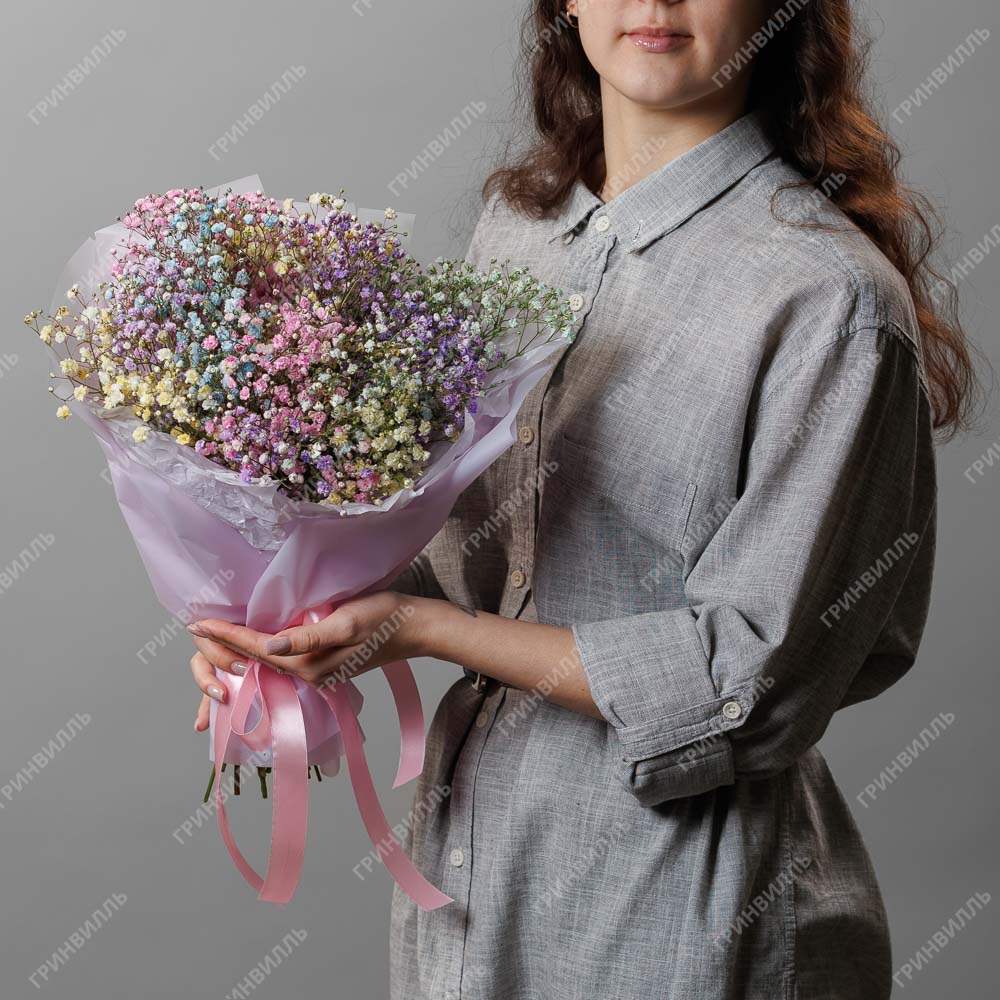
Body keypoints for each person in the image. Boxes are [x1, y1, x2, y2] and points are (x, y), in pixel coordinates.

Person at [186, 1, 982, 996]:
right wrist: (282, 620)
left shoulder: (828, 297)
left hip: (684, 891)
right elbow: (458, 540)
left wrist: (425, 631)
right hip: (474, 860)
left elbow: (750, 681)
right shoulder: (519, 232)